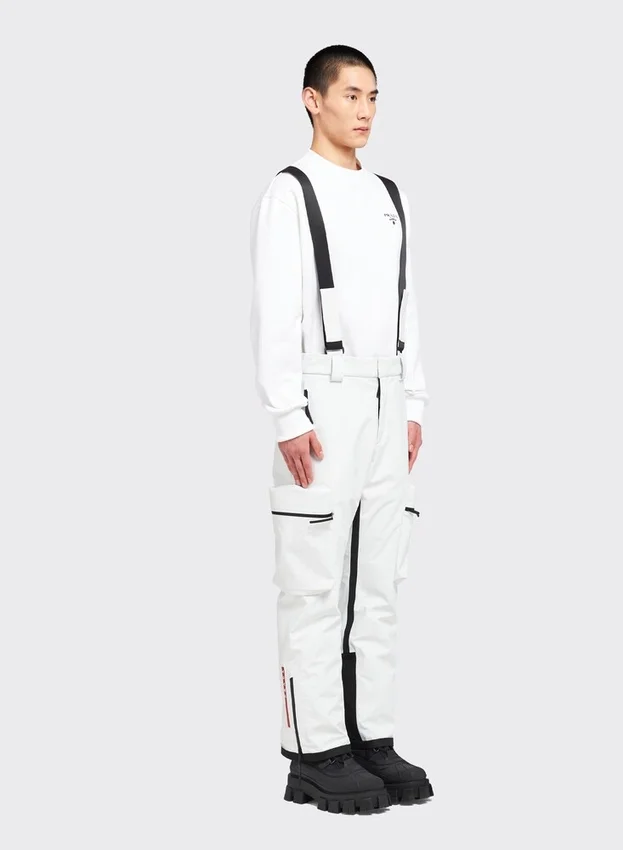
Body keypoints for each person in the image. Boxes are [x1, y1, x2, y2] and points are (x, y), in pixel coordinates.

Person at [249, 45, 433, 814]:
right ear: (312, 99)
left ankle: (370, 735)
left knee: (380, 576)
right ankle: (314, 750)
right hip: (323, 397)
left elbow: (405, 303)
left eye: (374, 96)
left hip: (387, 396)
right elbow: (275, 308)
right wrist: (287, 413)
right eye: (351, 94)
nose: (365, 110)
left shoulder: (389, 193)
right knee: (315, 577)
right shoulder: (291, 192)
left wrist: (414, 403)